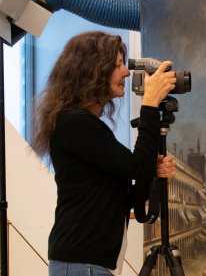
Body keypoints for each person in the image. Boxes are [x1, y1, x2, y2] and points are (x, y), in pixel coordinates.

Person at [31, 31, 177, 276]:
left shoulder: (79, 123)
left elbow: (115, 195)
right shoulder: (75, 123)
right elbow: (135, 166)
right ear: (94, 71)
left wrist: (152, 172)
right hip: (83, 262)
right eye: (118, 65)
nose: (127, 73)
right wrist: (150, 103)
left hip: (86, 262)